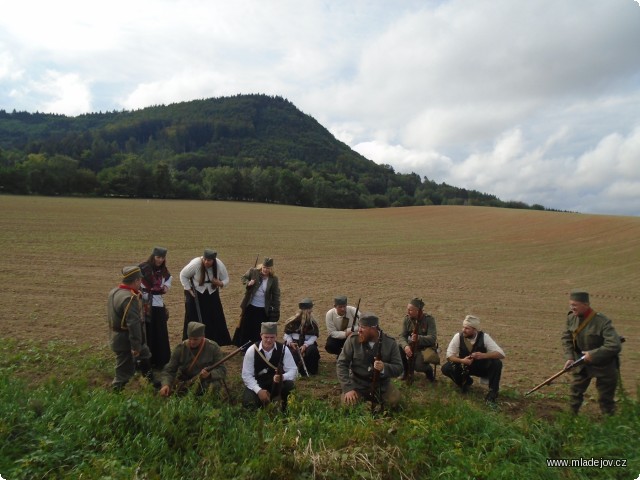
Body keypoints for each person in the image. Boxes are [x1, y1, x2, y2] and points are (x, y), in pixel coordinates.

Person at [561, 290, 622, 415]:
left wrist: (593, 355)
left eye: (575, 305)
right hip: (581, 364)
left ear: (586, 305)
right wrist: (570, 357)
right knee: (574, 394)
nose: (572, 307)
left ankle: (610, 426)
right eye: (571, 305)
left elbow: (614, 345)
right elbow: (567, 339)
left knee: (606, 399)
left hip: (604, 366)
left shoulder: (602, 321)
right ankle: (569, 421)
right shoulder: (571, 318)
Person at [336, 313, 404, 409]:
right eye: (359, 326)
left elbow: (399, 368)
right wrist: (348, 388)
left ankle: (375, 406)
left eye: (363, 327)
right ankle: (369, 407)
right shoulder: (353, 340)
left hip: (381, 385)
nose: (359, 330)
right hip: (358, 384)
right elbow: (341, 364)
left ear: (373, 329)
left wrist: (384, 367)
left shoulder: (390, 343)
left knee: (393, 402)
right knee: (348, 404)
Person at [107, 265, 153, 391]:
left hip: (116, 335)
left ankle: (152, 381)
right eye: (140, 281)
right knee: (123, 370)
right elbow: (133, 324)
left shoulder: (115, 292)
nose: (140, 283)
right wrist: (136, 346)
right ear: (136, 280)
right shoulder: (130, 298)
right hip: (125, 339)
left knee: (145, 355)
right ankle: (116, 394)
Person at [441, 315, 505, 403]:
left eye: (467, 328)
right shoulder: (458, 337)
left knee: (497, 363)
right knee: (446, 368)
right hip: (465, 366)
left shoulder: (484, 337)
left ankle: (493, 392)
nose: (464, 330)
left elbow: (501, 354)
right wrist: (462, 361)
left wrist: (483, 355)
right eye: (463, 327)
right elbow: (449, 355)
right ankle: (465, 383)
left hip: (481, 367)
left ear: (475, 330)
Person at [158, 321, 227, 397]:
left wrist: (210, 375)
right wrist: (166, 384)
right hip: (186, 382)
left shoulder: (213, 348)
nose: (192, 342)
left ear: (202, 337)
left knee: (215, 385)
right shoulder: (180, 348)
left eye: (195, 339)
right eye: (190, 339)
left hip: (205, 381)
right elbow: (169, 370)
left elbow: (222, 370)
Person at [179, 248, 231, 346]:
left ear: (213, 260)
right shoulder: (196, 264)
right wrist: (188, 288)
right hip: (196, 293)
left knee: (214, 316)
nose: (207, 262)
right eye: (205, 260)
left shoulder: (219, 264)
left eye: (209, 260)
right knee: (193, 317)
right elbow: (183, 275)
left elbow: (226, 278)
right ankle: (192, 341)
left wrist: (220, 283)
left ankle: (214, 343)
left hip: (212, 293)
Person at [241, 322, 297, 410]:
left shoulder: (284, 349)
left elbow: (293, 370)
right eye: (266, 337)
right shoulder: (252, 350)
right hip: (258, 383)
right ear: (261, 335)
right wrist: (258, 391)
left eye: (272, 337)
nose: (269, 340)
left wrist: (282, 377)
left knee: (289, 386)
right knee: (249, 403)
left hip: (277, 384)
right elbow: (246, 375)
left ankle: (284, 408)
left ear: (276, 336)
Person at [233, 256, 281, 347]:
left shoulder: (274, 279)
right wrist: (248, 282)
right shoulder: (253, 271)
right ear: (261, 266)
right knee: (246, 326)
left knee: (258, 329)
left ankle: (257, 346)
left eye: (268, 268)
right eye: (264, 267)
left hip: (263, 308)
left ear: (271, 269)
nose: (265, 270)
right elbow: (243, 278)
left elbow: (276, 294)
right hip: (250, 305)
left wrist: (276, 308)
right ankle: (244, 346)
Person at [139, 246, 172, 369]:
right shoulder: (143, 268)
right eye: (158, 257)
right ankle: (146, 360)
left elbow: (168, 280)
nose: (160, 260)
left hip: (158, 303)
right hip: (145, 303)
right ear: (153, 256)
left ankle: (161, 360)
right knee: (147, 331)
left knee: (160, 331)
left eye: (162, 258)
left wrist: (166, 287)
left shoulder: (163, 270)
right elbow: (135, 281)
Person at [397, 298, 439, 382]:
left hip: (425, 348)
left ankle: (428, 371)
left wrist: (419, 338)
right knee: (398, 346)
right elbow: (402, 336)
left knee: (419, 366)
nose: (408, 312)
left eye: (410, 310)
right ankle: (405, 371)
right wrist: (405, 347)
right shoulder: (407, 319)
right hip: (411, 346)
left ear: (418, 311)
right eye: (407, 309)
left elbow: (432, 338)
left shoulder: (429, 320)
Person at [283, 298, 321, 376]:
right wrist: (290, 343)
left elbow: (314, 337)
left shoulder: (312, 323)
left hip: (307, 344)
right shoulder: (293, 322)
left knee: (312, 351)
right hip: (294, 343)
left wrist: (306, 345)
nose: (311, 311)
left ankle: (311, 370)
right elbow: (287, 334)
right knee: (291, 355)